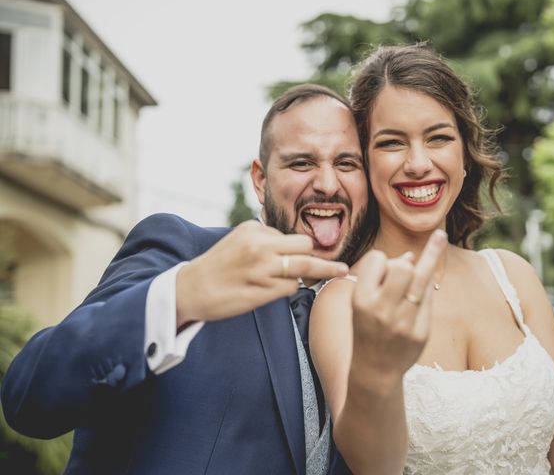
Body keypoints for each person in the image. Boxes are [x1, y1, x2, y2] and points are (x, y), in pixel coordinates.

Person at [1, 84, 367, 474]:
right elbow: (29, 398)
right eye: (302, 163)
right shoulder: (185, 250)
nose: (328, 184)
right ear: (260, 180)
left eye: (346, 164)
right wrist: (180, 296)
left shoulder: (377, 303)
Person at [310, 44, 554, 474]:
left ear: (465, 153)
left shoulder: (513, 276)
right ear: (365, 162)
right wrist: (377, 368)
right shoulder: (340, 303)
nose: (418, 163)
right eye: (391, 142)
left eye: (439, 137)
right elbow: (371, 464)